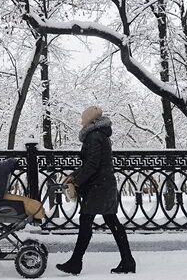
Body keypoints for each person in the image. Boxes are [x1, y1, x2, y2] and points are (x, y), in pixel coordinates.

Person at [56, 106, 136, 275]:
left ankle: (76, 263)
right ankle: (127, 261)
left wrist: (76, 180)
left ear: (91, 120)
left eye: (83, 117)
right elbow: (93, 164)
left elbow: (92, 165)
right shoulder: (99, 135)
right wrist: (74, 175)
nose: (81, 121)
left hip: (98, 187)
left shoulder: (93, 136)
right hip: (103, 185)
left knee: (87, 222)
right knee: (111, 222)